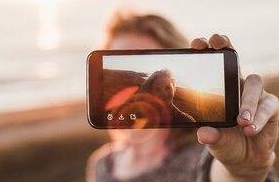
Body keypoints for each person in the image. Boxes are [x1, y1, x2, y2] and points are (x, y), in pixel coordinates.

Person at [86, 11, 278, 182]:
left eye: (166, 86)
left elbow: (219, 174)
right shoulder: (101, 164)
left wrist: (245, 173)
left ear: (173, 89)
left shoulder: (204, 153)